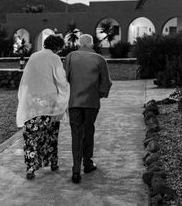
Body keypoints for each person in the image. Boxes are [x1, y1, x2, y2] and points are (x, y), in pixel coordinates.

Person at [16, 34, 70, 180]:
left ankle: (30, 168)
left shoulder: (34, 56)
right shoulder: (55, 58)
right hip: (49, 104)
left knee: (31, 137)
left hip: (32, 103)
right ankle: (52, 163)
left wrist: (25, 97)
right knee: (50, 135)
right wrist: (65, 92)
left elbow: (26, 79)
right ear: (58, 47)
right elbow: (61, 80)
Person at [64, 34, 112, 184]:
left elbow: (64, 78)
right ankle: (88, 163)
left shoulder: (71, 57)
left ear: (79, 43)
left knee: (76, 134)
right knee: (88, 130)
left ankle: (76, 169)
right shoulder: (99, 59)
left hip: (74, 103)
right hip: (91, 102)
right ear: (91, 44)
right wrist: (100, 94)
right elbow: (106, 82)